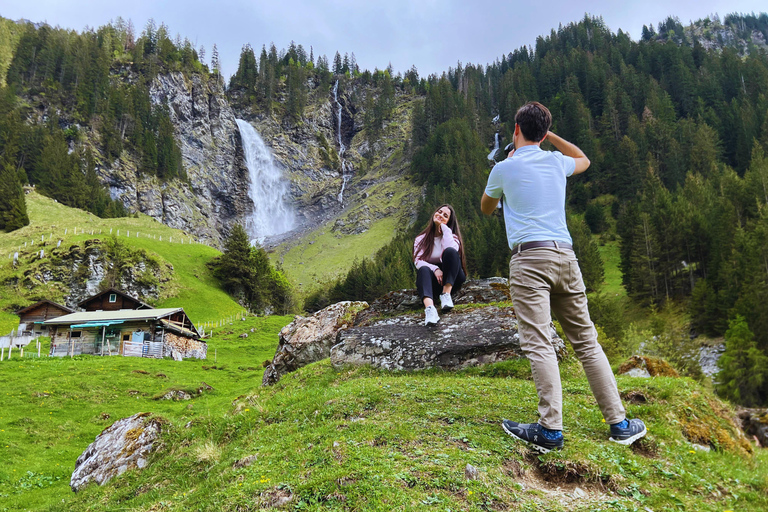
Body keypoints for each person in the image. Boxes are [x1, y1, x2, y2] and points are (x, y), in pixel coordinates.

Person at [480, 101, 646, 453]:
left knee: (539, 342)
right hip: (565, 255)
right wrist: (548, 134)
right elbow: (584, 159)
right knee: (587, 342)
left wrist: (508, 176)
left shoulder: (503, 168)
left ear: (515, 130)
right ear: (543, 134)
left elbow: (486, 207)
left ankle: (550, 430)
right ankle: (619, 423)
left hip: (529, 260)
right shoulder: (557, 161)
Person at [414, 204, 467, 326]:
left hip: (453, 277)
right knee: (423, 270)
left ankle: (446, 294)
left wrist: (445, 230)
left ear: (449, 221)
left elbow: (452, 252)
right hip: (435, 278)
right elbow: (418, 260)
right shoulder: (420, 239)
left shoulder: (452, 237)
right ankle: (430, 310)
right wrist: (436, 269)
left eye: (445, 215)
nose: (441, 215)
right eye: (439, 212)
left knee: (450, 252)